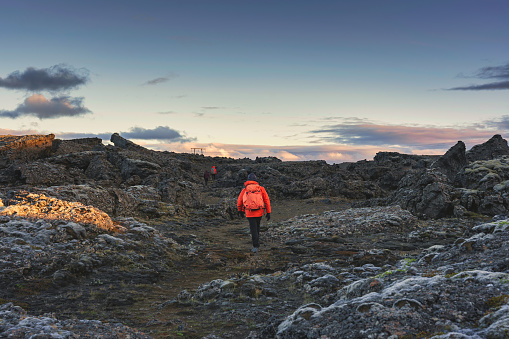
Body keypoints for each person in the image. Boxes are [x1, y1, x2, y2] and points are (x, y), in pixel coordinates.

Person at [237, 173, 271, 253]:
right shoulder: (261, 188)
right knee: (257, 227)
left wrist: (240, 210)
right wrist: (268, 212)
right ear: (256, 180)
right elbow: (266, 200)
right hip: (259, 211)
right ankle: (257, 243)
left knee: (253, 229)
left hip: (249, 212)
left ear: (248, 180)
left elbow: (239, 201)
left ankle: (255, 245)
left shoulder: (245, 189)